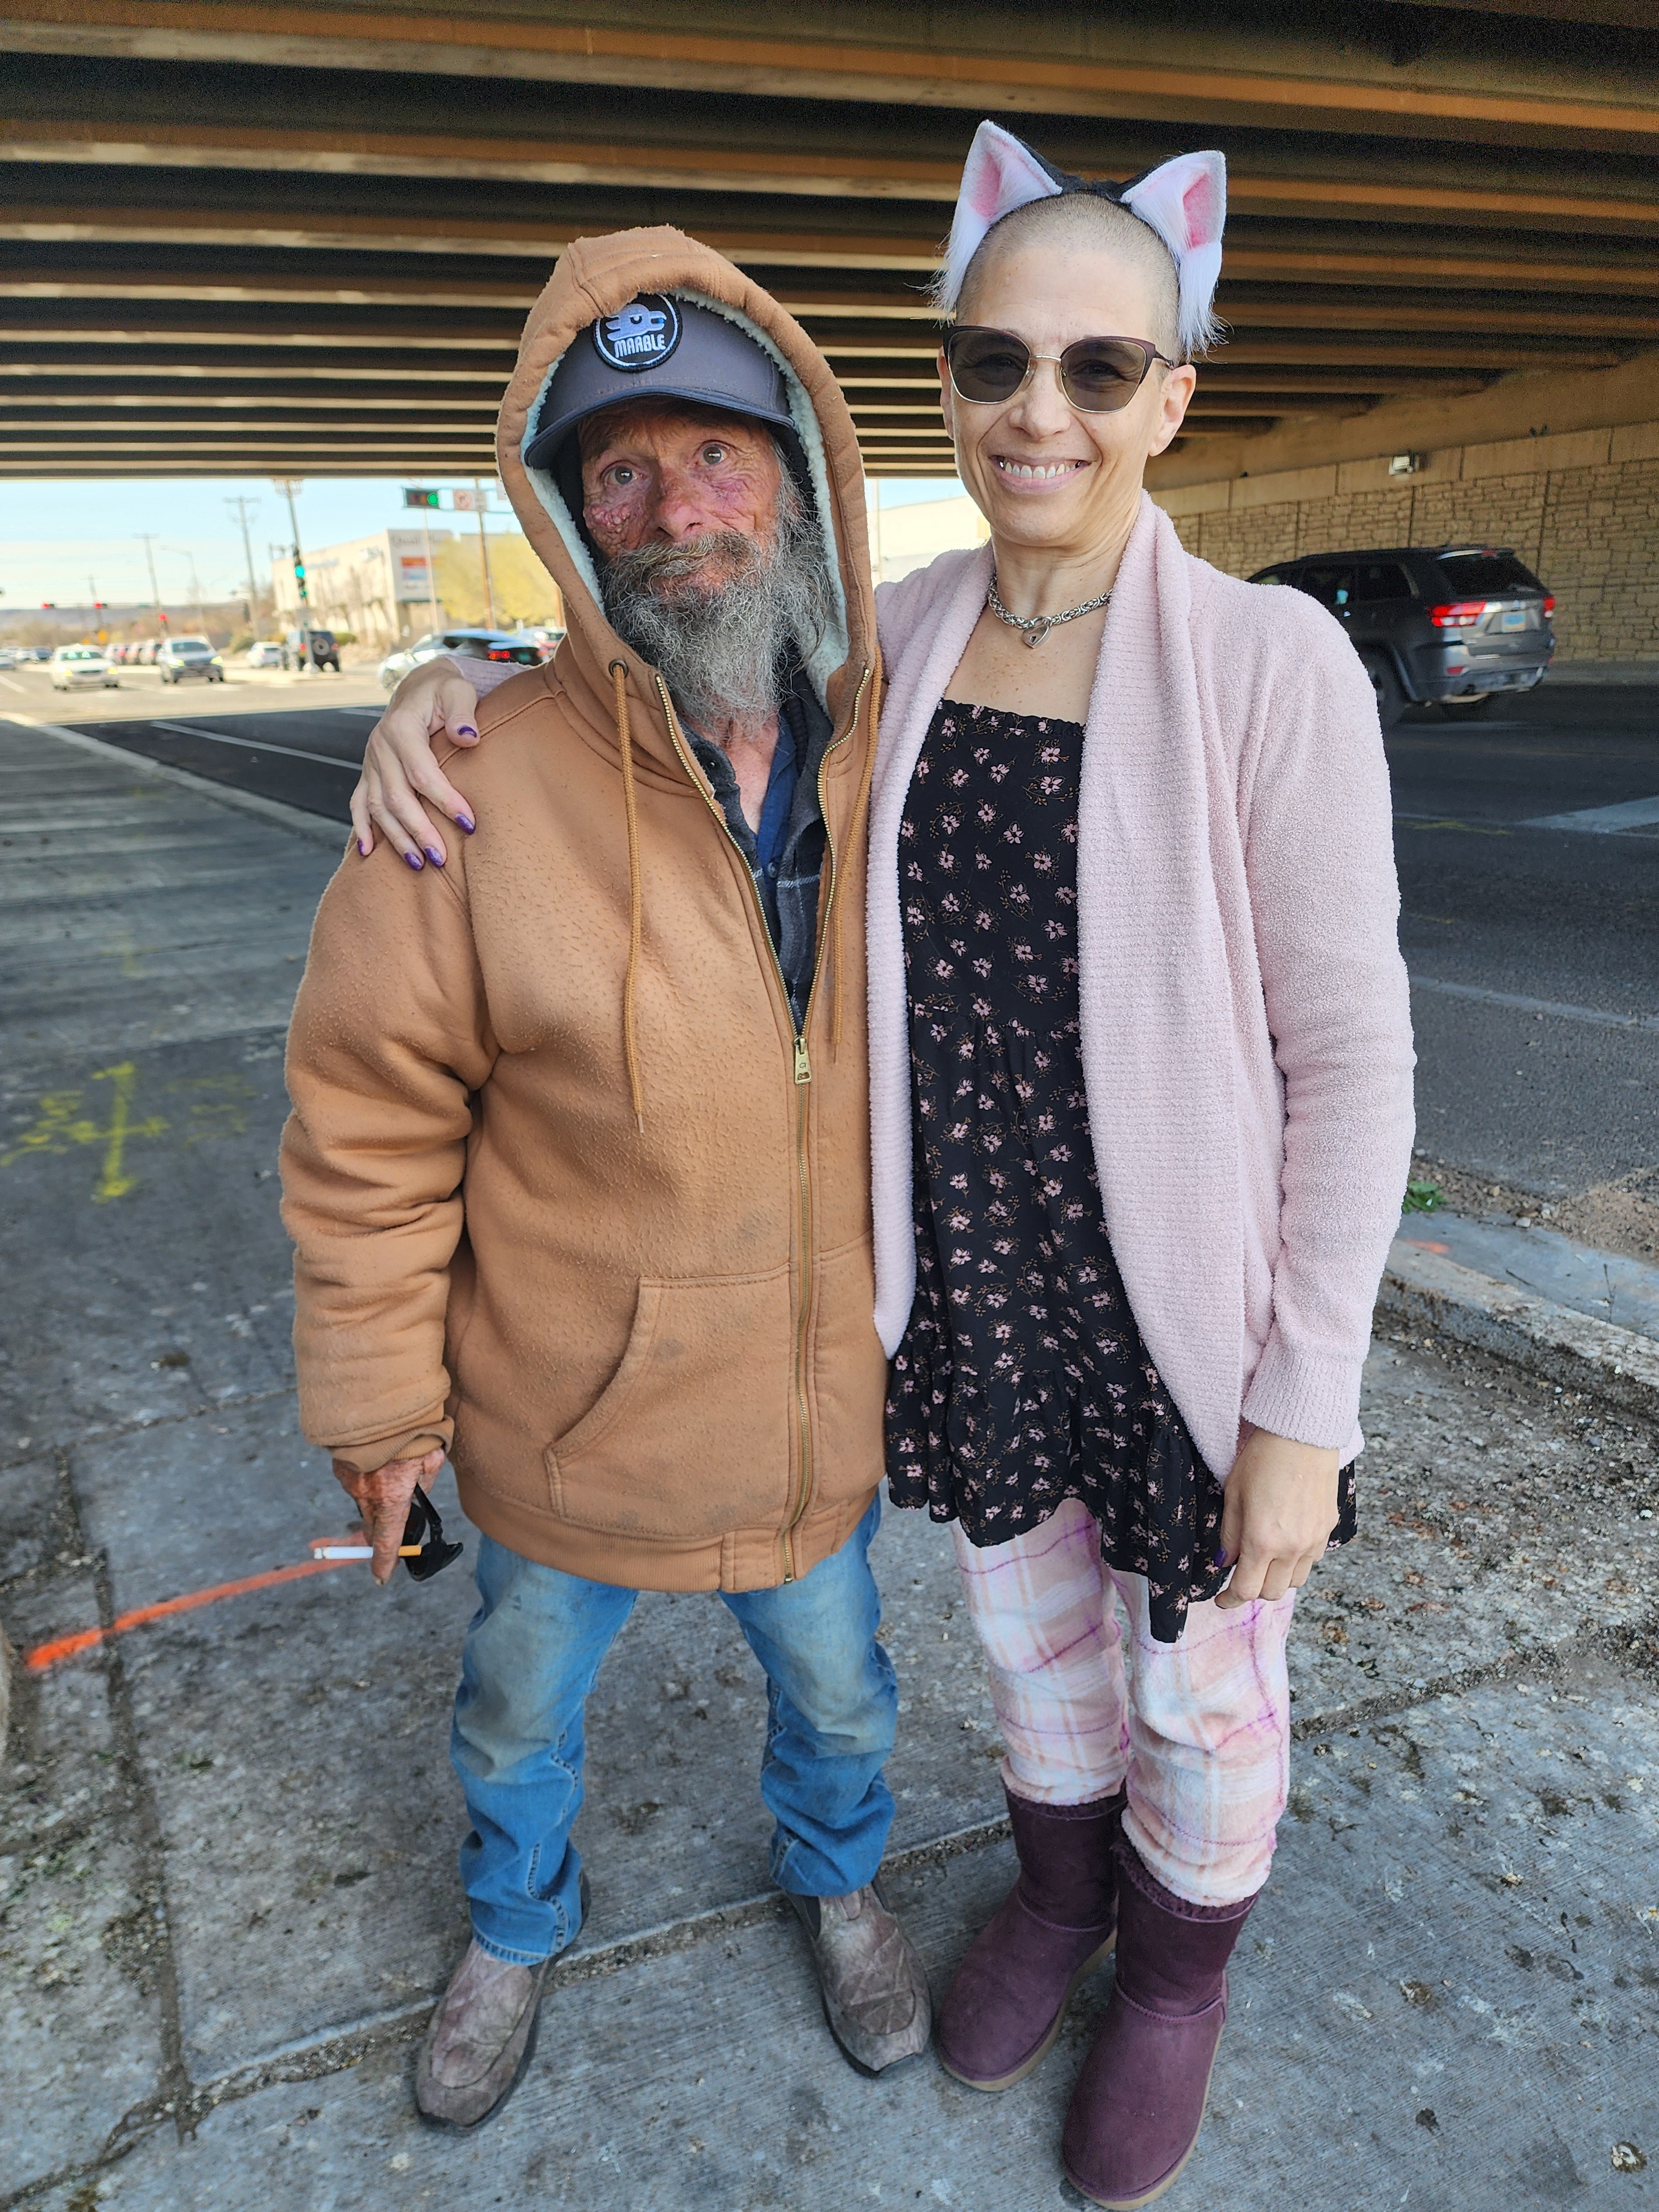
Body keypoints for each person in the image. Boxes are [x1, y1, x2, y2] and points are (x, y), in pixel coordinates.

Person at [353, 124, 1414, 2209]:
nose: (1042, 411)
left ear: (1173, 393)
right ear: (943, 380)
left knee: (1201, 1694)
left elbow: (1357, 1062)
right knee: (1032, 1658)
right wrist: (443, 687)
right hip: (980, 1302)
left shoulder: (1268, 663)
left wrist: (1309, 1404)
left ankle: (1173, 1979)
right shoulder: (897, 640)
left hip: (1186, 1325)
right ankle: (1058, 1893)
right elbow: (643, 672)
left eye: (1100, 367)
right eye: (996, 360)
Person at [279, 230, 932, 2135]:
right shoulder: (467, 787)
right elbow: (368, 1125)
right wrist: (379, 1408)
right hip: (567, 1418)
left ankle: (840, 1884)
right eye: (621, 474)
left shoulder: (907, 731)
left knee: (846, 1698)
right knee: (513, 1709)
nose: (677, 511)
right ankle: (512, 1926)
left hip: (809, 1415)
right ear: (569, 522)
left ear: (801, 476)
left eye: (718, 453)